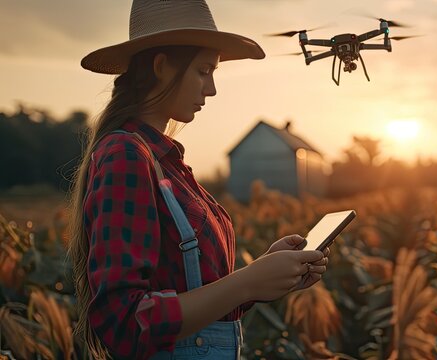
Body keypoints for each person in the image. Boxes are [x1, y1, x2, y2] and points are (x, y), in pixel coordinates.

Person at [67, 1, 330, 359]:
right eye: (204, 71)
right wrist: (247, 281)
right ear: (162, 67)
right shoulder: (127, 156)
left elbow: (196, 299)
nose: (212, 89)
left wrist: (262, 278)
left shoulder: (168, 164)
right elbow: (124, 324)